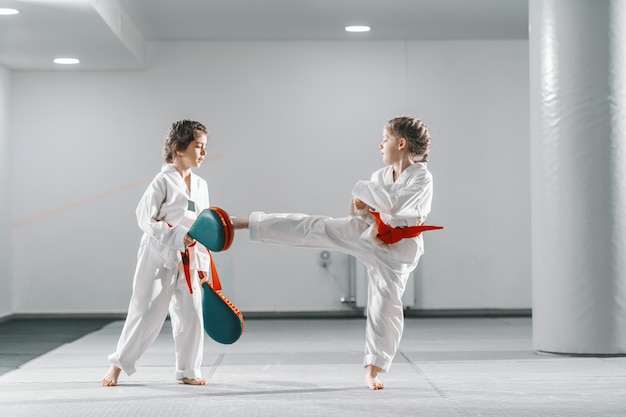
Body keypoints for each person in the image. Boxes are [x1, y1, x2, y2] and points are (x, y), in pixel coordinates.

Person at [231, 115, 439, 390]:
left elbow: (394, 207)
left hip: (398, 252)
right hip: (369, 233)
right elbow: (369, 209)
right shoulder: (381, 176)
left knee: (385, 306)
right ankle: (247, 223)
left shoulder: (422, 177)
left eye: (385, 139)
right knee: (316, 226)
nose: (380, 145)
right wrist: (359, 203)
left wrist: (361, 189)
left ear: (401, 143)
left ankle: (373, 370)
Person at [102, 119, 213, 386]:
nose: (203, 153)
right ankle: (118, 365)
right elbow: (145, 218)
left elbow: (205, 226)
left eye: (205, 147)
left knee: (192, 314)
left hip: (190, 258)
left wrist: (204, 267)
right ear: (179, 148)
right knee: (145, 312)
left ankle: (188, 371)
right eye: (198, 146)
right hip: (158, 255)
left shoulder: (201, 185)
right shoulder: (162, 181)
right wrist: (177, 236)